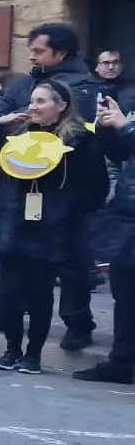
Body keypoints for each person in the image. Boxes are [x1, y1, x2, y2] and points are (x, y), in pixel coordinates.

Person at [0, 25, 100, 347]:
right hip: (17, 186)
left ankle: (77, 323)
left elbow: (90, 147)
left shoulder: (85, 87)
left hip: (61, 198)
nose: (31, 55)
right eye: (30, 49)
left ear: (61, 53)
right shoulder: (23, 83)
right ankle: (3, 312)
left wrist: (77, 203)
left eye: (39, 50)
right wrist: (1, 123)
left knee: (70, 266)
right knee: (12, 263)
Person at [79, 96, 135, 384]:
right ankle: (122, 361)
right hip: (127, 215)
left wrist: (126, 126)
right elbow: (121, 153)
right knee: (125, 294)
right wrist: (106, 128)